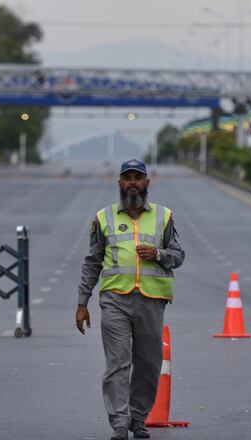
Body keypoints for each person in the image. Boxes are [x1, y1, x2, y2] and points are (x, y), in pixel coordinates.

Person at [75, 159, 185, 440]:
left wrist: (158, 255)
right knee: (118, 362)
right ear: (120, 183)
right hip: (115, 300)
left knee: (149, 363)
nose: (133, 182)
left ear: (147, 183)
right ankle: (119, 422)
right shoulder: (104, 217)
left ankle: (138, 418)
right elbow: (92, 262)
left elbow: (178, 256)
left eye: (138, 177)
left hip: (152, 301)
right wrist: (82, 302)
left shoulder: (164, 216)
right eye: (128, 178)